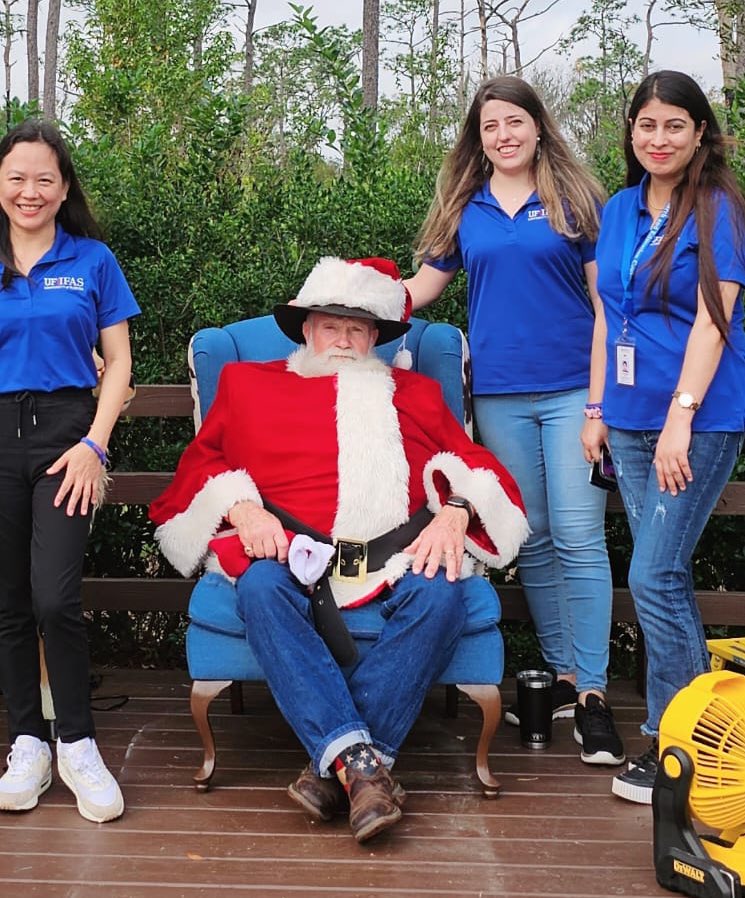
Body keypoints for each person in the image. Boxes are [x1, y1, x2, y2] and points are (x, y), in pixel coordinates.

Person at [149, 256, 529, 843]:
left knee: (442, 592)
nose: (344, 340)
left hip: (397, 555)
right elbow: (202, 466)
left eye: (358, 329)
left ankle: (341, 767)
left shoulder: (418, 393)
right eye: (331, 325)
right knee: (257, 586)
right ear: (306, 328)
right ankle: (365, 767)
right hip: (290, 554)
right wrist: (241, 506)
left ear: (377, 336)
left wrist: (456, 512)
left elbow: (477, 466)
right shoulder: (249, 384)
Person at [404, 76, 624, 766]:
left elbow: (606, 307)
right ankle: (559, 674)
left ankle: (590, 693)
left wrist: (598, 404)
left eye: (514, 122)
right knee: (528, 536)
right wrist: (338, 302)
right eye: (489, 125)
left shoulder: (576, 201)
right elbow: (417, 289)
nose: (502, 135)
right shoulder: (463, 208)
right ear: (478, 136)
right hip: (497, 397)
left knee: (580, 538)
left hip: (571, 394)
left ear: (537, 126)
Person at [582, 70, 745, 804]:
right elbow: (604, 315)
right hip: (627, 418)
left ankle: (671, 749)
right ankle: (690, 742)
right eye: (646, 125)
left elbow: (715, 319)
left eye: (674, 125)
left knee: (651, 574)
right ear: (630, 131)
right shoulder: (617, 208)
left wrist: (681, 413)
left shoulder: (717, 211)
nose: (658, 139)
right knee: (663, 576)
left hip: (696, 420)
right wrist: (595, 410)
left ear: (699, 133)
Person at [0, 120, 140, 822]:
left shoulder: (92, 261)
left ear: (63, 189)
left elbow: (118, 362)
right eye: (17, 177)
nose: (29, 191)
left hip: (66, 440)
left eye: (43, 179)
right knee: (9, 604)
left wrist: (95, 444)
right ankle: (28, 742)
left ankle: (78, 744)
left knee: (55, 598)